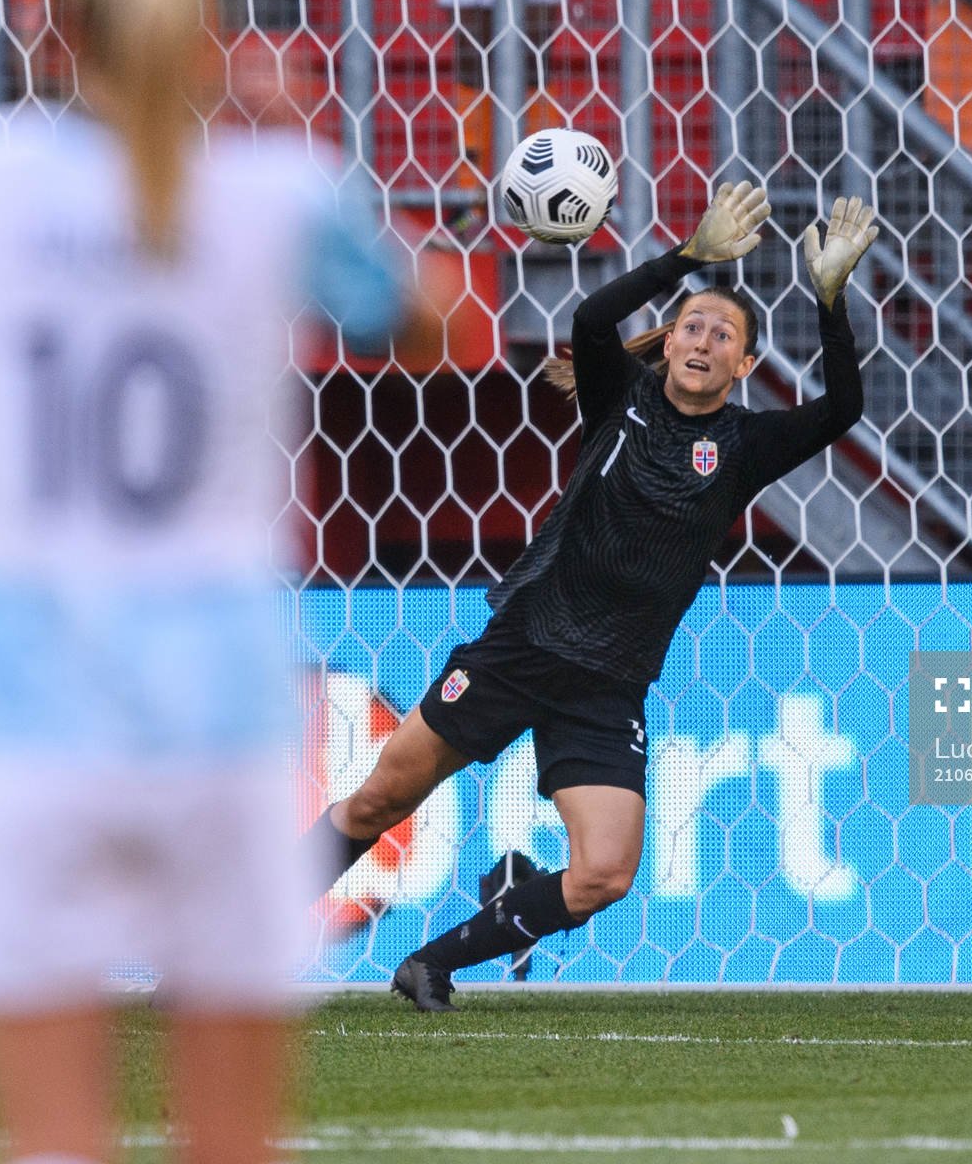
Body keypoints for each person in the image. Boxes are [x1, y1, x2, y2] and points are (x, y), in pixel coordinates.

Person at [0, 0, 435, 1163]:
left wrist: (1, 576)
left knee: (54, 1143)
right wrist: (300, 135)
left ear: (50, 31)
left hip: (29, 703)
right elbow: (427, 326)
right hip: (221, 712)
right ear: (212, 35)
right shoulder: (280, 191)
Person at [302, 186, 876, 1011]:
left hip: (607, 684)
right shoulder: (621, 399)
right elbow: (592, 320)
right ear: (669, 343)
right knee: (380, 799)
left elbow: (844, 407)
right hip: (523, 647)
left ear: (745, 366)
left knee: (604, 872)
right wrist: (688, 255)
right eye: (693, 326)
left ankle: (430, 963)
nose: (704, 341)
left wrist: (830, 300)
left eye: (724, 335)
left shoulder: (745, 446)